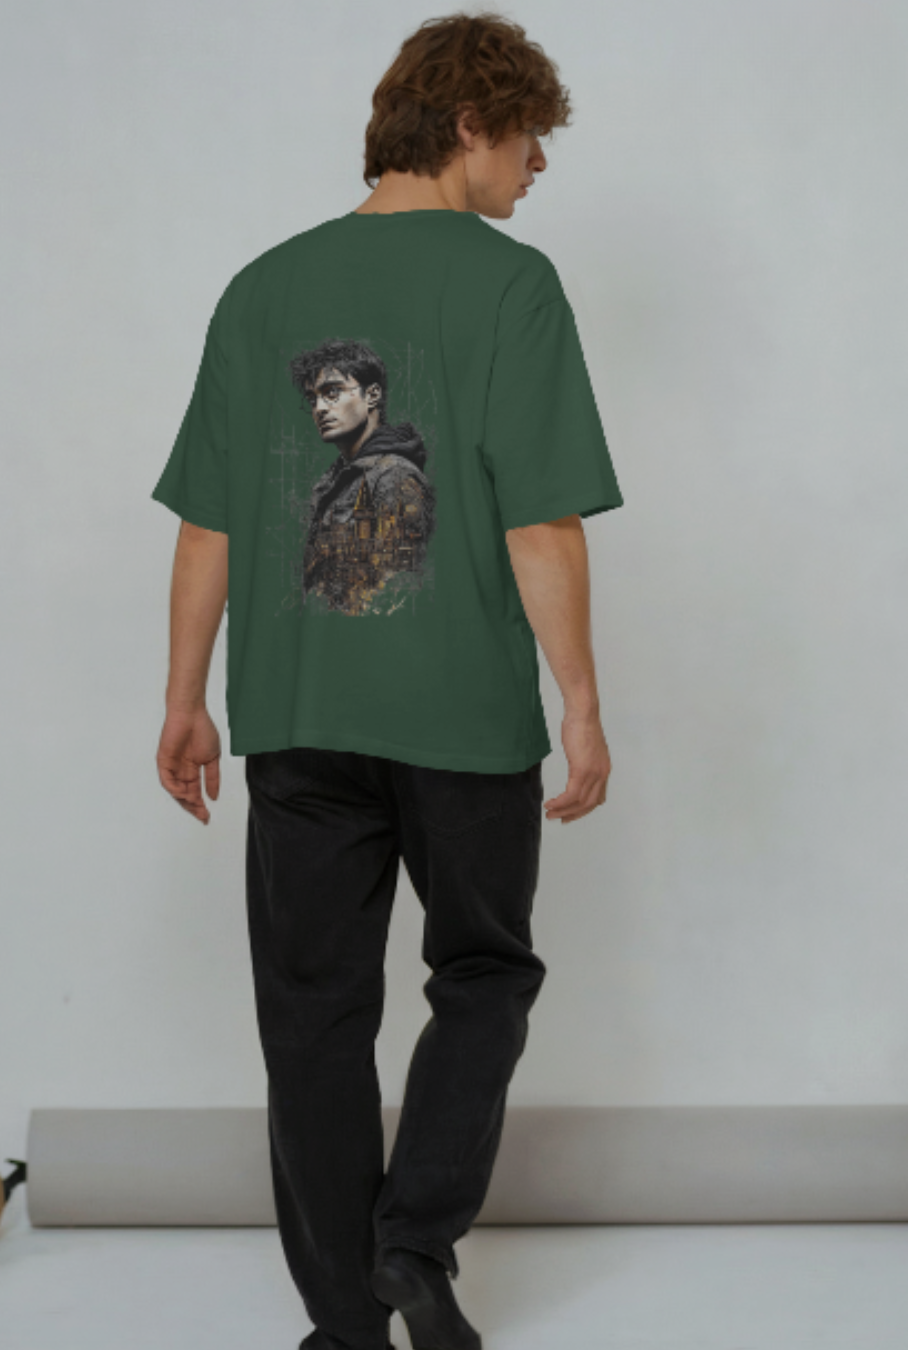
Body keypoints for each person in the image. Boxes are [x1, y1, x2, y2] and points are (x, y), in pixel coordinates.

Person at [150, 12, 624, 1350]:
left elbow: (207, 525)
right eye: (528, 139)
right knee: (483, 973)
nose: (539, 167)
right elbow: (541, 520)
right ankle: (412, 1241)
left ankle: (345, 1321)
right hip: (463, 720)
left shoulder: (262, 287)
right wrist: (581, 701)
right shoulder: (511, 285)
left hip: (297, 719)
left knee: (311, 1013)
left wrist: (186, 698)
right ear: (471, 123)